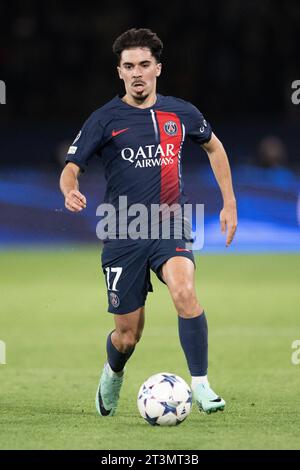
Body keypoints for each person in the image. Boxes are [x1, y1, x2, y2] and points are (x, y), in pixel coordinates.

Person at [59, 28, 237, 417]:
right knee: (127, 335)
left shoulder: (181, 112)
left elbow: (215, 146)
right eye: (128, 66)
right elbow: (70, 168)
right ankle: (113, 371)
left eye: (144, 64)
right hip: (123, 230)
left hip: (170, 223)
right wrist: (69, 189)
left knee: (184, 291)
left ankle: (202, 386)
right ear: (119, 72)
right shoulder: (104, 119)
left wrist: (229, 203)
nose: (137, 72)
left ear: (158, 68)